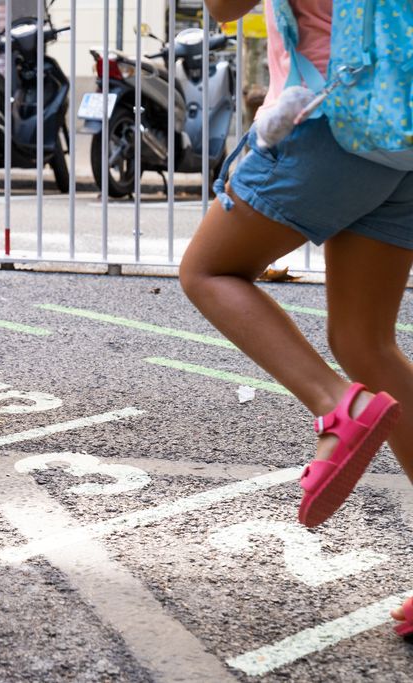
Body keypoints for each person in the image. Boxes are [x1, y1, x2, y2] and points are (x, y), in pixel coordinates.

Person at [181, 0, 412, 635]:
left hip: (334, 115)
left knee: (209, 271)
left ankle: (338, 406)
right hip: (403, 122)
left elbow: (224, 8)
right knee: (366, 342)